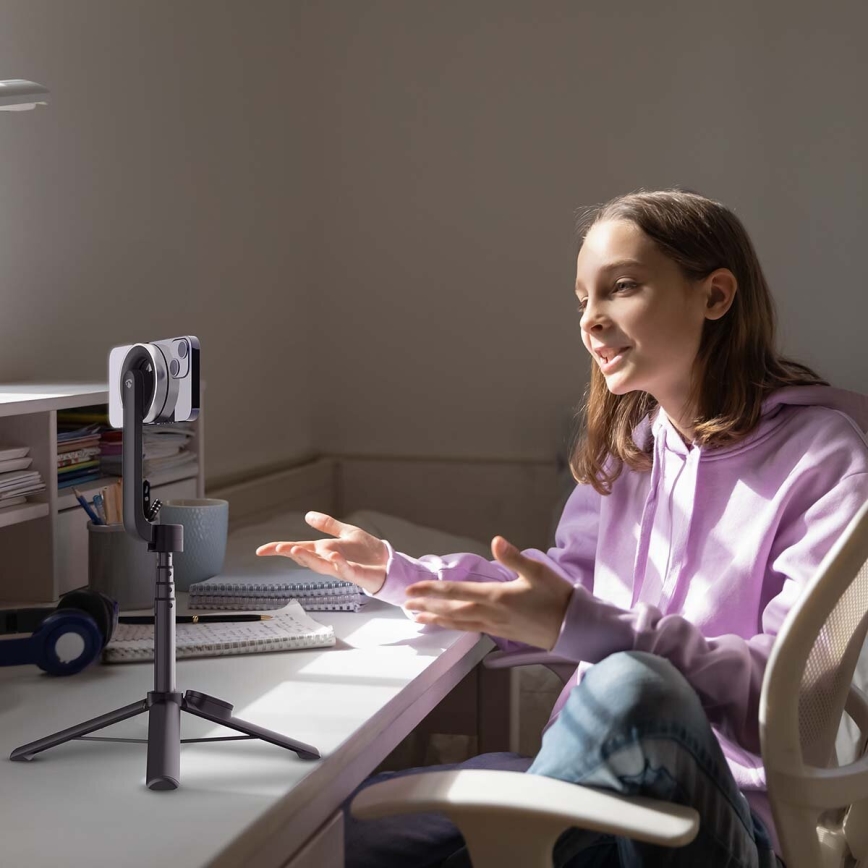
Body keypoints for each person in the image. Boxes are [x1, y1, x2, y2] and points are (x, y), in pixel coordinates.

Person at [256, 189, 868, 867]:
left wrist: (593, 628)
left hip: (733, 824)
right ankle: (533, 833)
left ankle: (530, 834)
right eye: (583, 300)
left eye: (622, 288)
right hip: (584, 786)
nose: (592, 320)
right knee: (327, 832)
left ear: (715, 296)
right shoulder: (628, 449)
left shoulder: (824, 455)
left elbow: (787, 700)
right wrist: (396, 572)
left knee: (634, 682)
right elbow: (557, 586)